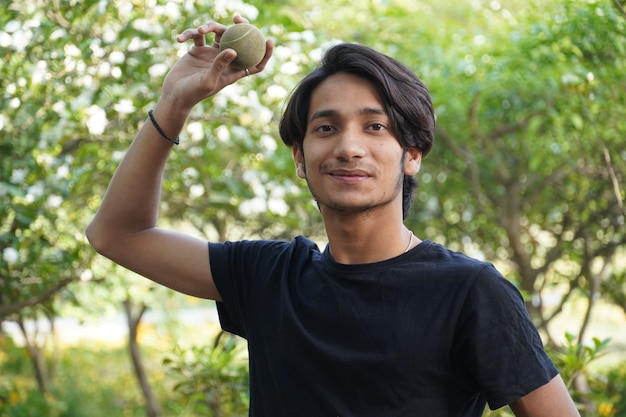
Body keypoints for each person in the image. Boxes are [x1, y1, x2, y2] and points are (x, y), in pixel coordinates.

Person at [86, 15, 581, 417]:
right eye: (326, 127)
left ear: (411, 155)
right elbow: (117, 234)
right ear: (300, 159)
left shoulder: (469, 291)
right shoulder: (269, 278)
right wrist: (174, 103)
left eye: (374, 126)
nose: (348, 147)